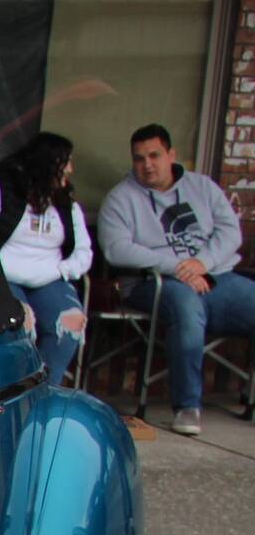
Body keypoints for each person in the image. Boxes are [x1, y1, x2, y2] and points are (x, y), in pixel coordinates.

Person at [99, 123, 255, 436]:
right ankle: (187, 406)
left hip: (215, 276)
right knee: (186, 307)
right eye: (139, 158)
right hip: (153, 282)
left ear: (172, 154)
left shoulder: (203, 187)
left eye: (154, 155)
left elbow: (230, 232)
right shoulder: (120, 198)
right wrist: (179, 267)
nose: (147, 164)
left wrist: (201, 264)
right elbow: (117, 249)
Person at [0, 133, 92, 385]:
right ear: (45, 164)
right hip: (3, 275)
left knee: (70, 323)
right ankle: (13, 391)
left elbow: (84, 252)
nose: (70, 169)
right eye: (65, 161)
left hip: (50, 277)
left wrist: (61, 270)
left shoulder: (67, 204)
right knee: (23, 322)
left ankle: (44, 393)